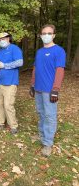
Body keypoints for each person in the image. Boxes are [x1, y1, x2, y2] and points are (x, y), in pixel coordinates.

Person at [29, 24, 66, 157]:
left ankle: (48, 143)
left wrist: (56, 89)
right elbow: (35, 68)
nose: (46, 35)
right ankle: (42, 136)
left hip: (49, 90)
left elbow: (60, 70)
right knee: (41, 113)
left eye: (49, 33)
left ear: (53, 35)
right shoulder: (39, 52)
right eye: (44, 33)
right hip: (38, 88)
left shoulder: (59, 51)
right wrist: (32, 85)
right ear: (40, 35)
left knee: (50, 116)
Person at [0, 32, 23, 134]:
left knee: (8, 105)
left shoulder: (14, 49)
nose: (1, 41)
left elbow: (20, 62)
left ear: (8, 39)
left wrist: (5, 65)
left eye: (3, 39)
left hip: (11, 82)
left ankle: (13, 126)